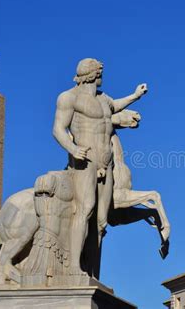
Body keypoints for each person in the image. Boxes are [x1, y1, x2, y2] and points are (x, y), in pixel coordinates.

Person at [52, 58, 147, 274]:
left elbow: (116, 106)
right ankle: (74, 267)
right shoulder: (69, 97)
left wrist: (135, 95)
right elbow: (58, 129)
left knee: (101, 222)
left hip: (107, 162)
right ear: (93, 74)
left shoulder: (104, 99)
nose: (102, 75)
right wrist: (73, 149)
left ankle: (93, 271)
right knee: (84, 210)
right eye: (100, 72)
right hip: (85, 161)